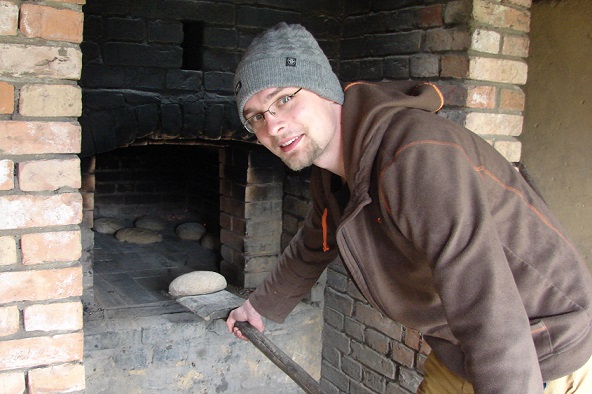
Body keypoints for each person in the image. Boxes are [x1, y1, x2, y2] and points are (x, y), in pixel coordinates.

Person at [225, 22, 592, 393]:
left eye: (284, 99)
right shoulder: (335, 172)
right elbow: (313, 245)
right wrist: (259, 307)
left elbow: (486, 301)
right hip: (465, 349)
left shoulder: (414, 158)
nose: (273, 125)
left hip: (534, 351)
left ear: (324, 87)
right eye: (256, 116)